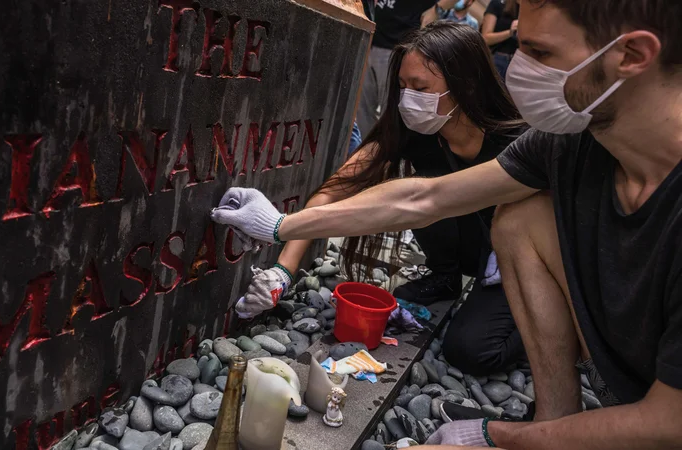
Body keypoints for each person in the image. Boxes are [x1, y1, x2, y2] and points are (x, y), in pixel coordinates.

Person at [212, 0, 682, 448]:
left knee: (475, 341)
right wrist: (280, 228)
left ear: (632, 55)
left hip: (657, 409)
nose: (521, 70)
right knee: (520, 219)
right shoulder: (564, 144)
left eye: (540, 54)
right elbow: (426, 197)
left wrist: (499, 437)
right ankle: (552, 417)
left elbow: (667, 425)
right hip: (617, 365)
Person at [228, 21, 527, 376]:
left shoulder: (517, 140)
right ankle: (446, 274)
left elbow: (422, 201)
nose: (409, 98)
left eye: (421, 87)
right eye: (402, 85)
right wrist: (282, 272)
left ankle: (555, 327)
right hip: (465, 240)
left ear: (467, 82)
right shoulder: (414, 131)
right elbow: (334, 191)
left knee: (470, 351)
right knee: (427, 180)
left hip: (514, 260)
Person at [356, 0, 437, 137]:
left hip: (397, 47)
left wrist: (437, 8)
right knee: (361, 108)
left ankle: (385, 150)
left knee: (389, 110)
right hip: (371, 39)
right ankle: (366, 148)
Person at [482, 0, 520, 80]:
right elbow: (485, 38)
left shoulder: (530, 14)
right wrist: (510, 33)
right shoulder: (498, 4)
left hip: (516, 65)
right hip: (495, 58)